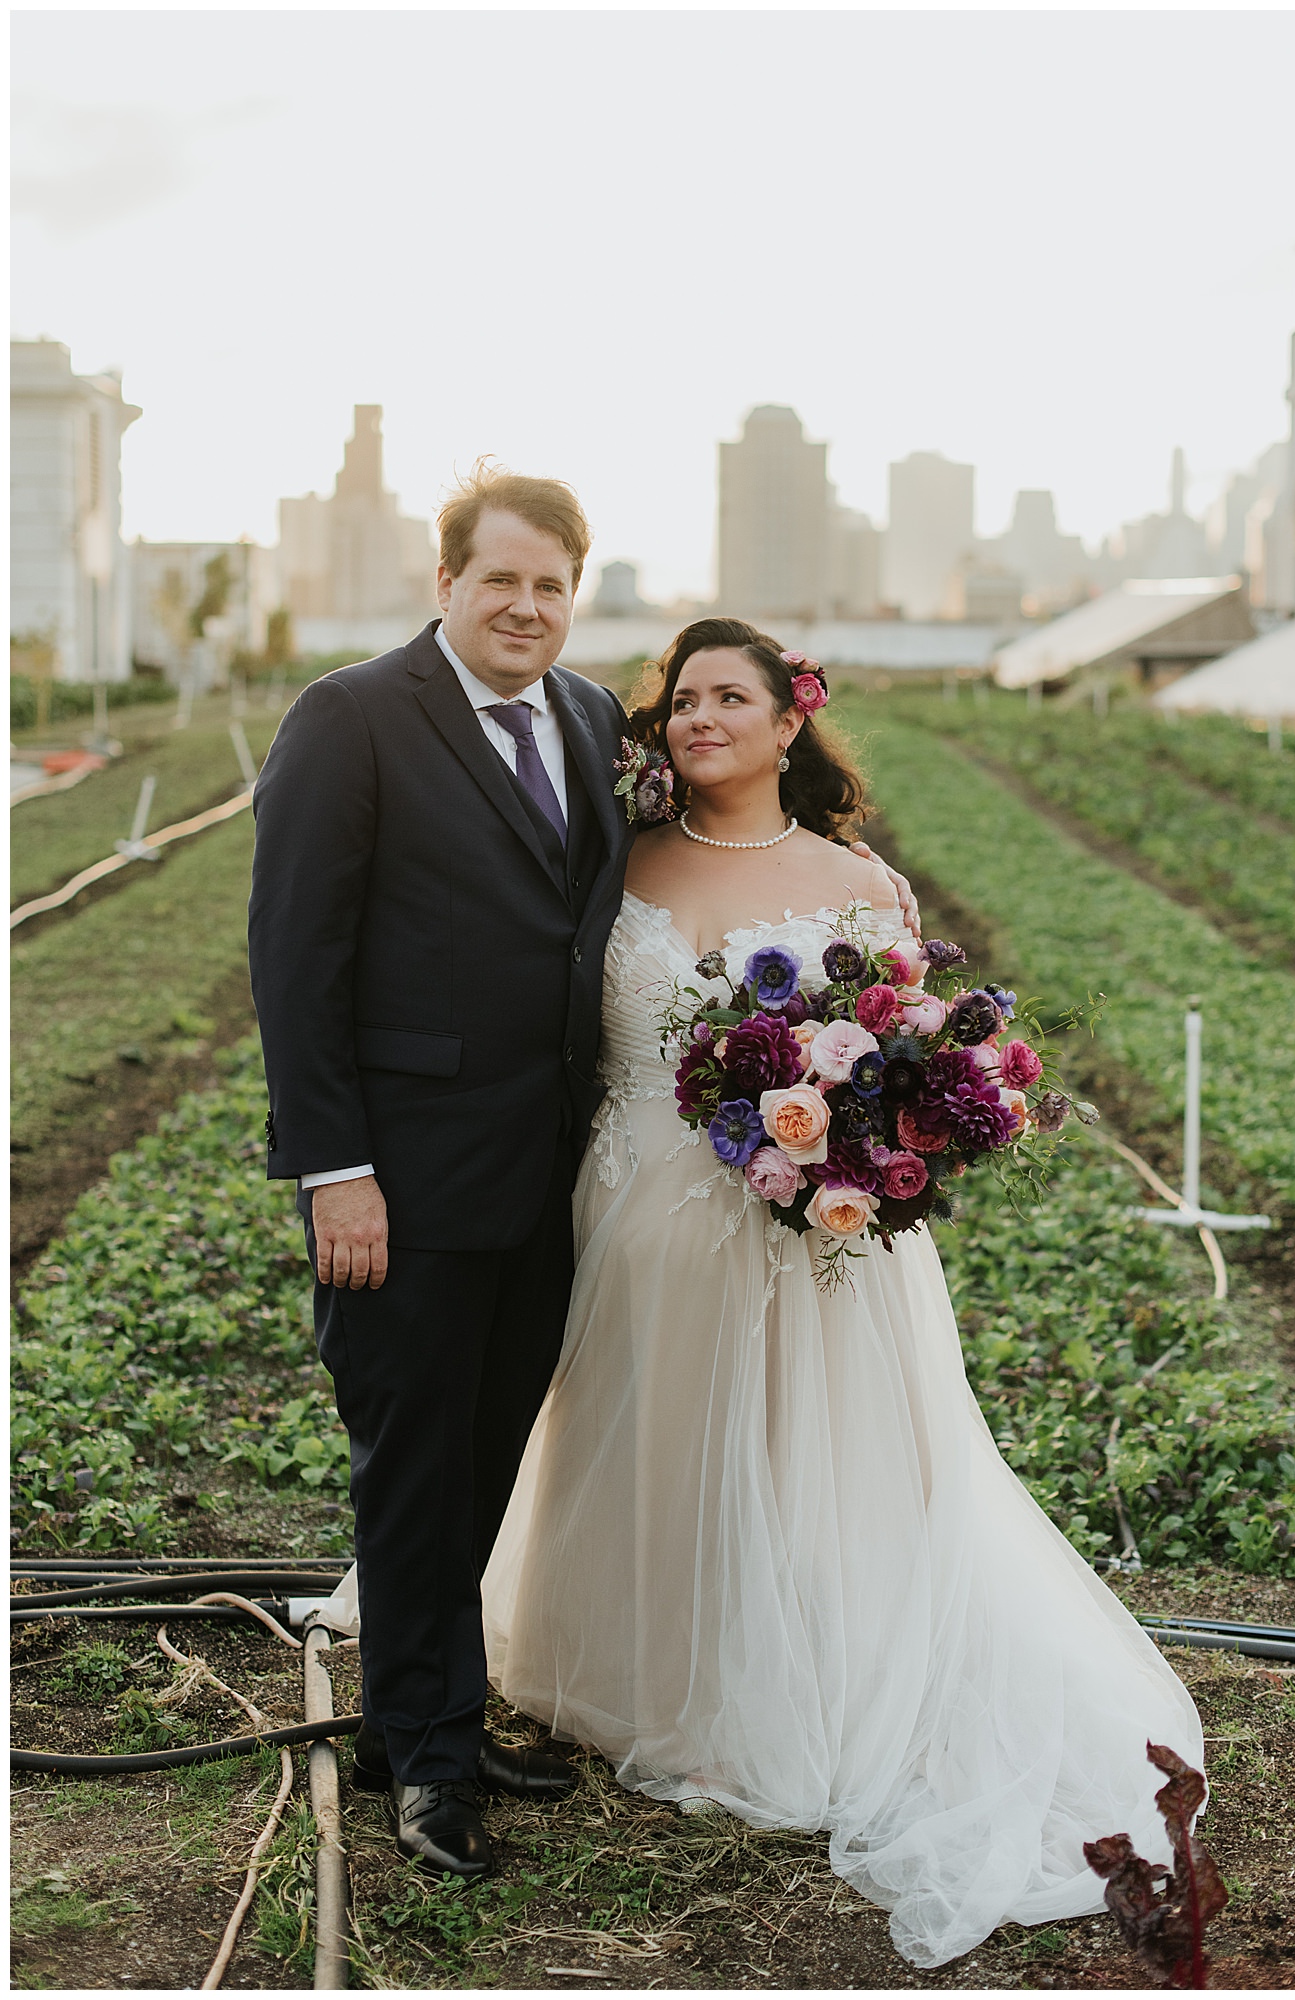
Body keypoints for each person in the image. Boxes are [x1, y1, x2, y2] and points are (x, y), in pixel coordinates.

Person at [475, 618, 1205, 1969]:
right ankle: (648, 1679)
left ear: (785, 720)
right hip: (629, 1204)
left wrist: (865, 1143)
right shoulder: (612, 868)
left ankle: (805, 1685)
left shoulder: (857, 886)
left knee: (813, 1460)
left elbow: (910, 1058)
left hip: (807, 1220)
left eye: (726, 697)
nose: (696, 718)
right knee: (651, 1448)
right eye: (679, 700)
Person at [251, 479, 917, 1883]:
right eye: (500, 582)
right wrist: (336, 1171)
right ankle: (430, 1765)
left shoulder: (581, 724)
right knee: (412, 1458)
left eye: (551, 588)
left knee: (490, 1447)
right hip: (406, 1180)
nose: (525, 609)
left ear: (575, 596)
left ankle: (412, 1715)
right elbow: (296, 959)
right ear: (444, 579)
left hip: (557, 1177)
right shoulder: (352, 717)